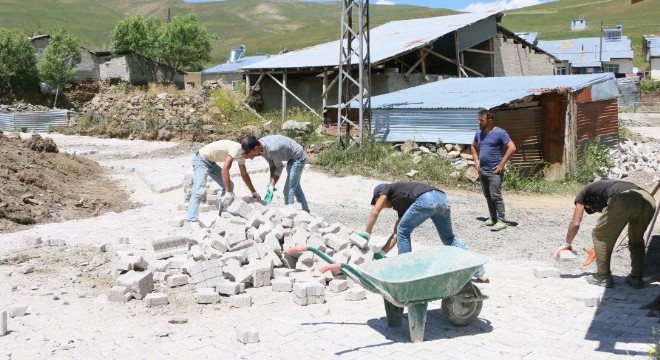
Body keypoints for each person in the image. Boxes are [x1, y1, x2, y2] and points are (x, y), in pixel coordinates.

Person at [361, 182, 488, 282]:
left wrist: (366, 235)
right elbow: (396, 234)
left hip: (426, 198)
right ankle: (480, 271)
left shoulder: (387, 188)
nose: (380, 205)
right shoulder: (403, 203)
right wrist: (381, 254)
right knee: (449, 239)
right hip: (443, 199)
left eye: (377, 201)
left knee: (403, 231)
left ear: (379, 195)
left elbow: (375, 212)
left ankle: (405, 271)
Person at [556, 180, 656, 289]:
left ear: (588, 202)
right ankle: (636, 278)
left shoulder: (582, 194)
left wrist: (567, 243)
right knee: (636, 239)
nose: (593, 210)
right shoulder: (603, 189)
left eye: (590, 208)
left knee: (600, 235)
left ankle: (603, 277)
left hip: (625, 198)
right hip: (648, 199)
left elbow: (575, 223)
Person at [186, 140, 260, 223]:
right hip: (201, 160)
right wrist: (228, 193)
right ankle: (191, 220)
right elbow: (225, 169)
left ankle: (223, 214)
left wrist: (253, 192)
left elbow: (244, 174)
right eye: (254, 154)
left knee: (229, 185)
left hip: (211, 162)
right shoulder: (236, 149)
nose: (253, 158)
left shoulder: (242, 156)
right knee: (198, 190)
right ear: (249, 151)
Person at [470, 109, 517, 231]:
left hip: (494, 171)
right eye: (478, 120)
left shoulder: (500, 133)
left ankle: (501, 220)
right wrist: (476, 160)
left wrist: (502, 164)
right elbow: (473, 146)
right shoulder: (479, 133)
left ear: (490, 120)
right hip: (483, 170)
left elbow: (512, 147)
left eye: (482, 120)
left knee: (495, 195)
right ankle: (493, 218)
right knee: (488, 196)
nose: (479, 122)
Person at [241, 134, 310, 212]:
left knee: (288, 189)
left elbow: (279, 168)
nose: (250, 157)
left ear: (255, 148)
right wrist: (271, 180)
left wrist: (272, 185)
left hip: (298, 158)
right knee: (295, 186)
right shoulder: (261, 148)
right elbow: (272, 164)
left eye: (249, 153)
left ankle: (290, 216)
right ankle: (306, 212)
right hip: (291, 157)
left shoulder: (272, 149)